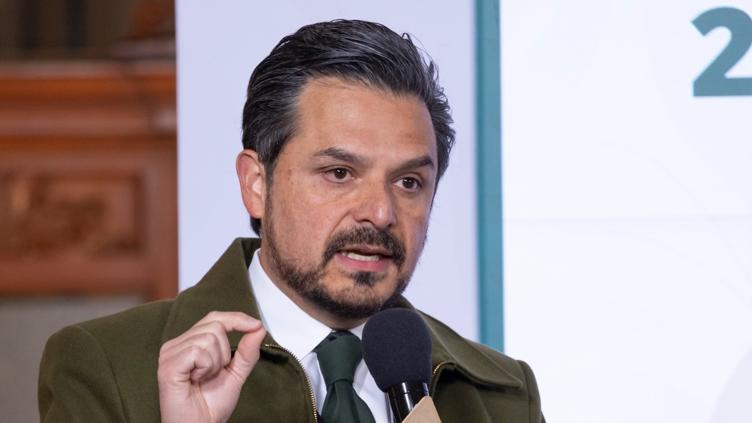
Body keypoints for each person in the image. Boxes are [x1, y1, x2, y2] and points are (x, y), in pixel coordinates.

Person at [38, 19, 544, 423]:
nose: (381, 212)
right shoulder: (109, 367)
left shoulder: (500, 394)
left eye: (409, 182)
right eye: (339, 173)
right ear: (256, 183)